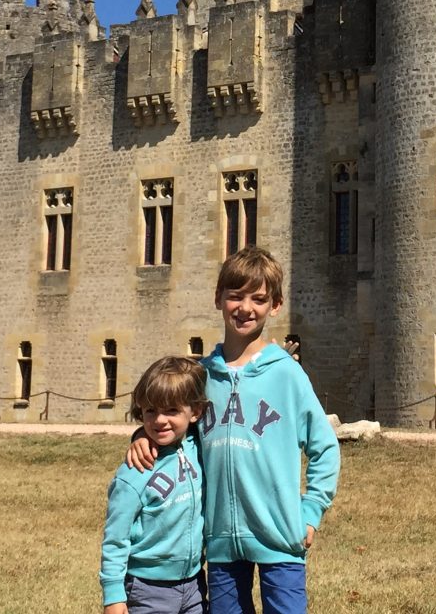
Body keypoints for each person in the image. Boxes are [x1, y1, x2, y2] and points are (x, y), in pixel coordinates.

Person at [129, 246, 340, 614]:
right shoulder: (201, 376)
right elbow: (172, 424)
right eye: (235, 296)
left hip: (280, 536)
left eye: (258, 299)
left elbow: (325, 447)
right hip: (221, 541)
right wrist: (142, 437)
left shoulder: (287, 375)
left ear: (275, 305)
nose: (245, 307)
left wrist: (311, 512)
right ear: (218, 298)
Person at [101, 356, 210, 614]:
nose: (160, 420)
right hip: (147, 588)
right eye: (151, 411)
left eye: (171, 410)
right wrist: (113, 595)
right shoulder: (135, 472)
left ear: (195, 412)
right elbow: (116, 538)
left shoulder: (200, 446)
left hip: (195, 582)